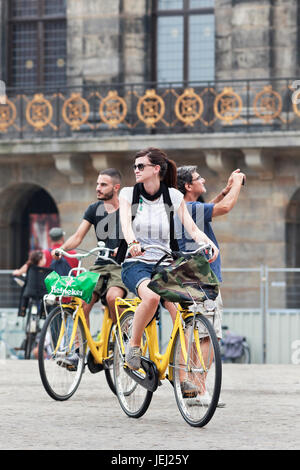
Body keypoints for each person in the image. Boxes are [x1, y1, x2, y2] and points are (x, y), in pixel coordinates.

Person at [118, 147, 219, 371]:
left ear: (156, 169)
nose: (136, 170)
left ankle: (181, 373)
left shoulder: (172, 196)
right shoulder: (128, 193)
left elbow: (192, 229)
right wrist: (133, 243)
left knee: (182, 311)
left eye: (140, 166)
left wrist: (207, 243)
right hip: (136, 263)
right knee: (152, 298)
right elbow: (126, 224)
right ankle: (133, 346)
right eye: (134, 166)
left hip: (164, 263)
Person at [176, 166, 245, 407]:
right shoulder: (191, 208)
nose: (202, 180)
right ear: (187, 186)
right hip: (204, 279)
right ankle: (201, 389)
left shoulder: (182, 208)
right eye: (198, 178)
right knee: (208, 336)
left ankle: (192, 387)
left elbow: (209, 211)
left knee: (195, 334)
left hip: (184, 277)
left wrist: (223, 191)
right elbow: (224, 208)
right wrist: (237, 183)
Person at [51, 168, 127, 327]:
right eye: (97, 184)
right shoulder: (94, 209)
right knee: (82, 302)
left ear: (116, 188)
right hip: (100, 265)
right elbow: (78, 236)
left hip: (121, 265)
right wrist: (62, 249)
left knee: (113, 298)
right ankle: (81, 348)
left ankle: (121, 334)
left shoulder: (127, 208)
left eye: (103, 185)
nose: (98, 188)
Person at [13, 227, 78, 277]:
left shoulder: (44, 253)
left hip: (51, 288)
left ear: (50, 239)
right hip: (71, 289)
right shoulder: (73, 253)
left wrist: (19, 272)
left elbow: (29, 265)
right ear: (62, 238)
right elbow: (78, 272)